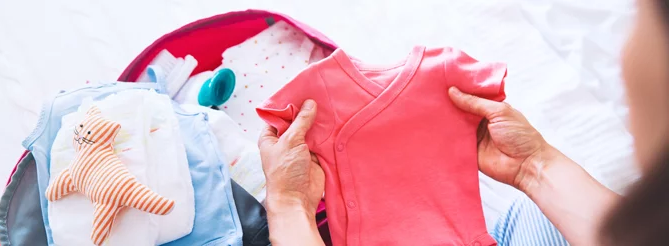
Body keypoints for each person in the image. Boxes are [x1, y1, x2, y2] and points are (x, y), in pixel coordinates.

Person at [257, 0, 669, 245]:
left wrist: (289, 204)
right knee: (529, 214)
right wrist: (535, 164)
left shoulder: (441, 68)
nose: (624, 52)